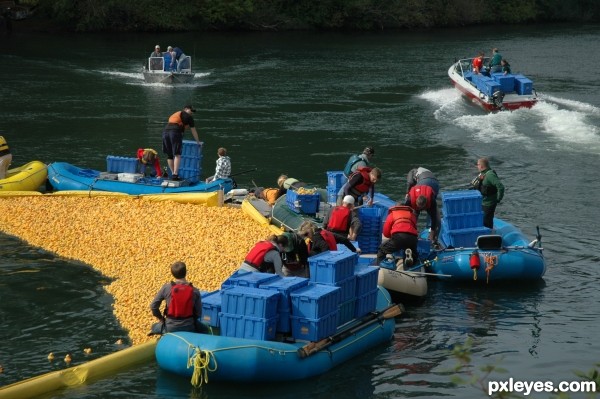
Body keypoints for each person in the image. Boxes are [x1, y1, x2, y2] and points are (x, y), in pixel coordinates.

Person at [149, 261, 203, 334]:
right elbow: (198, 313)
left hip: (170, 327)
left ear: (172, 274)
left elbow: (153, 306)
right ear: (186, 272)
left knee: (154, 326)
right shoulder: (195, 291)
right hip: (189, 327)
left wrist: (161, 318)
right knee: (205, 329)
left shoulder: (166, 288)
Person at [162, 105, 201, 181]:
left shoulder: (177, 114)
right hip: (175, 132)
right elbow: (193, 130)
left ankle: (173, 173)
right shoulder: (189, 117)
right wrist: (198, 141)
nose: (192, 113)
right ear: (186, 109)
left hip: (165, 131)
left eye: (193, 112)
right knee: (177, 154)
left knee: (169, 155)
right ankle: (175, 174)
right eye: (191, 110)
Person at [376, 203, 419, 267]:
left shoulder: (392, 214)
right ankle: (412, 264)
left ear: (396, 207)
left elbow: (386, 232)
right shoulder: (411, 214)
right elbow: (415, 228)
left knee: (382, 249)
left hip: (399, 237)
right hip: (412, 237)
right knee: (413, 252)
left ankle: (381, 267)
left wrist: (391, 236)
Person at [471, 157, 505, 229]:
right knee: (482, 221)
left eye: (477, 164)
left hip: (489, 204)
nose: (477, 166)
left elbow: (501, 187)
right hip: (482, 202)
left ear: (481, 166)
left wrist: (498, 199)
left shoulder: (490, 175)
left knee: (486, 222)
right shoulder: (481, 174)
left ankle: (489, 235)